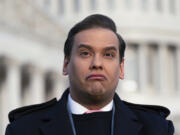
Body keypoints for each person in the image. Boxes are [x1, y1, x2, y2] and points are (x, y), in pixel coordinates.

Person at [5, 14, 174, 135]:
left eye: (108, 55)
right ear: (66, 64)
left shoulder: (156, 129)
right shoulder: (23, 129)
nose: (97, 63)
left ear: (121, 68)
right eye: (85, 53)